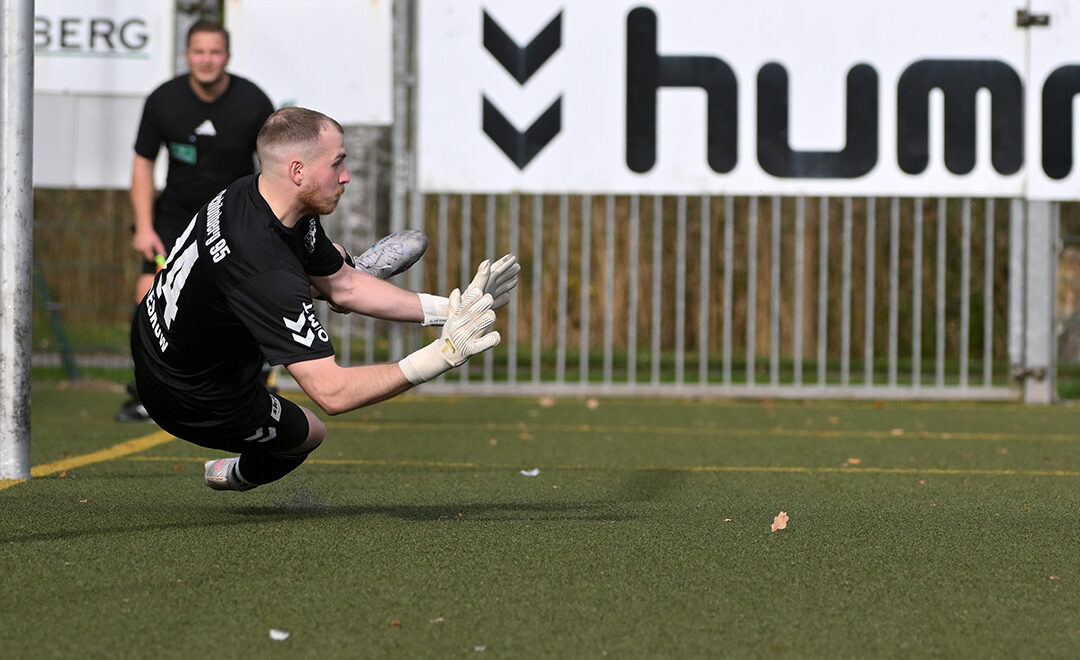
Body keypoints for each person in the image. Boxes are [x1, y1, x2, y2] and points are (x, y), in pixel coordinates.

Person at [130, 106, 520, 492]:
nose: (346, 176)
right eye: (337, 164)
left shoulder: (256, 193)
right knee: (309, 432)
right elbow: (332, 392)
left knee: (324, 271)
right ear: (297, 171)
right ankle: (232, 475)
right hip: (190, 396)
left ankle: (345, 262)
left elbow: (345, 286)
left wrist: (451, 309)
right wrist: (444, 353)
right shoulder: (266, 271)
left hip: (157, 336)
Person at [117, 18, 275, 422]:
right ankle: (146, 394)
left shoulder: (254, 103)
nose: (207, 60)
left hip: (232, 218)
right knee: (148, 294)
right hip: (173, 221)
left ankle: (248, 386)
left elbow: (272, 169)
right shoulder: (163, 101)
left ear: (227, 56)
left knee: (243, 300)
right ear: (187, 54)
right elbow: (142, 165)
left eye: (215, 52)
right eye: (199, 51)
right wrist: (144, 226)